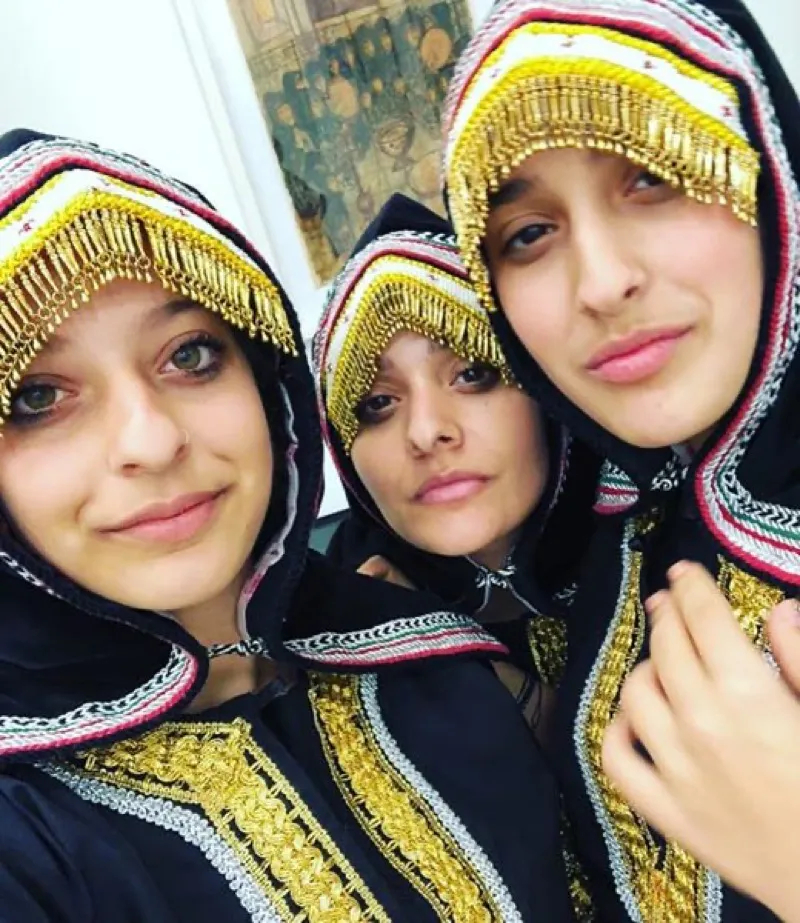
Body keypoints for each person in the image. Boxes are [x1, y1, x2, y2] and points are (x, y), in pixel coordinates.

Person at [0, 128, 579, 922]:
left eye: (191, 356)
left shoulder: (423, 657)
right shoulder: (26, 827)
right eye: (37, 396)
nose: (152, 440)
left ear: (271, 388)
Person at [441, 0, 800, 920]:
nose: (601, 283)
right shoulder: (627, 530)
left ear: (774, 181)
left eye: (652, 175)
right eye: (528, 235)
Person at [314, 194, 595, 739]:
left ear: (545, 392)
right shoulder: (332, 634)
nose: (426, 432)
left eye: (472, 375)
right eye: (376, 404)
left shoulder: (666, 557)